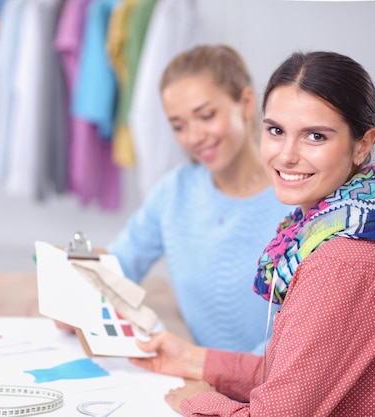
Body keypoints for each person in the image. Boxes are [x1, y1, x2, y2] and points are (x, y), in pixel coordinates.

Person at [129, 50, 375, 416]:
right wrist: (194, 360)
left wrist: (193, 402)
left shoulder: (342, 260)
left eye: (315, 136)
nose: (286, 155)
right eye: (275, 131)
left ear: (362, 145)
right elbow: (294, 375)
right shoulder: (370, 218)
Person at [102, 44, 292, 352]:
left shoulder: (297, 199)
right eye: (178, 125)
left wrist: (217, 374)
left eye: (205, 116)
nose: (193, 137)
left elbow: (305, 337)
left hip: (275, 388)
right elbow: (117, 265)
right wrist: (78, 296)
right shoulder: (174, 192)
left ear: (245, 104)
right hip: (201, 384)